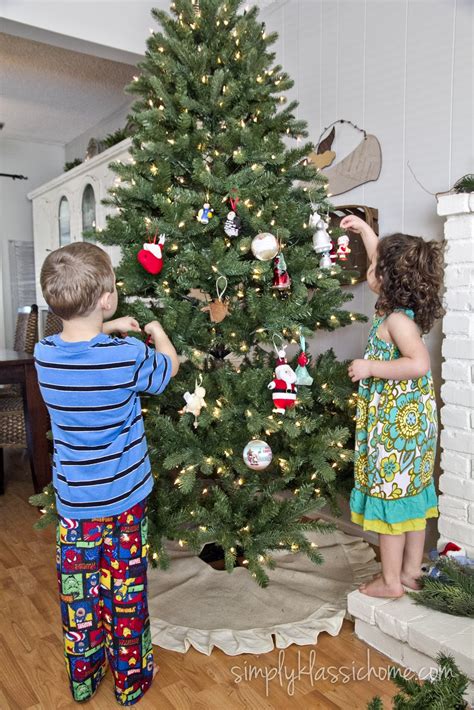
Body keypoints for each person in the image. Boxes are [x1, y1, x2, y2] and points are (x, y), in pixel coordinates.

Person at [34, 241, 179, 705]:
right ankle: (131, 681)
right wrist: (156, 333)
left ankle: (83, 677)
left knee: (81, 597)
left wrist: (108, 327)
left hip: (77, 504)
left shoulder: (44, 355)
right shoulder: (128, 356)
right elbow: (166, 371)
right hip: (125, 500)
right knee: (126, 591)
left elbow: (79, 343)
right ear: (108, 298)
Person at [340, 215, 444, 599]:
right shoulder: (398, 309)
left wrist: (371, 368)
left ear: (387, 280)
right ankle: (412, 572)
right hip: (412, 426)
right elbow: (383, 261)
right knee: (412, 497)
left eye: (373, 268)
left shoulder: (397, 320)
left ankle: (390, 582)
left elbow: (418, 363)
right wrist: (368, 234)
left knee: (391, 503)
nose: (369, 270)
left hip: (397, 429)